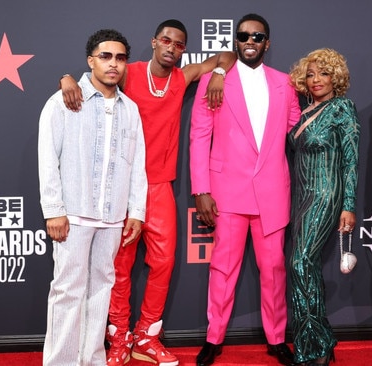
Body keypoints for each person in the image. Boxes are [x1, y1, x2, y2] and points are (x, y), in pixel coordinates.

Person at [60, 19, 236, 366]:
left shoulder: (183, 77)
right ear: (155, 42)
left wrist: (218, 73)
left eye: (180, 44)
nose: (172, 47)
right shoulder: (129, 72)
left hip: (160, 187)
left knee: (164, 263)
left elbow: (227, 56)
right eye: (167, 40)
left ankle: (146, 336)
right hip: (122, 186)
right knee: (119, 264)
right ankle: (119, 337)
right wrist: (65, 79)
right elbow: (92, 75)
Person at [190, 13, 301, 366]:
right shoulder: (213, 80)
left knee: (274, 270)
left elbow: (297, 130)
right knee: (223, 268)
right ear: (235, 41)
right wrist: (201, 190)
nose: (250, 41)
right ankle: (213, 337)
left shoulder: (285, 83)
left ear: (267, 43)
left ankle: (277, 338)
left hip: (272, 191)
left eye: (257, 36)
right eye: (243, 36)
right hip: (226, 192)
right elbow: (199, 137)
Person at [38, 29, 147, 366]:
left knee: (102, 290)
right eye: (105, 56)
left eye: (120, 57)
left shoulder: (130, 109)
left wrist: (137, 211)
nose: (113, 64)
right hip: (73, 215)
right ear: (91, 60)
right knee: (67, 292)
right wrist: (54, 210)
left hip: (113, 217)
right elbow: (48, 158)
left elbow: (137, 163)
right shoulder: (64, 101)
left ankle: (92, 360)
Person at [287, 48, 360, 366]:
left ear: (336, 78)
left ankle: (313, 346)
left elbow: (351, 160)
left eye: (324, 73)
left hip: (326, 195)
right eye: (311, 74)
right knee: (306, 266)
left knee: (300, 263)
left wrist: (348, 205)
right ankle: (320, 341)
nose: (316, 80)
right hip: (300, 197)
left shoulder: (343, 108)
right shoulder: (302, 112)